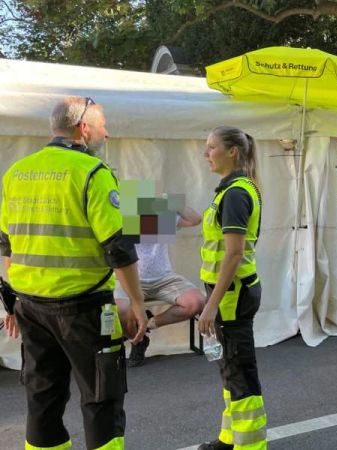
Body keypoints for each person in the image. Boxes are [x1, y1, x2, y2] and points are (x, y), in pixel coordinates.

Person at [0, 96, 147, 450]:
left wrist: (14, 301)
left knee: (43, 398)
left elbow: (7, 244)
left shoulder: (17, 172)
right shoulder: (94, 173)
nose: (106, 134)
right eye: (102, 125)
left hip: (31, 306)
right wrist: (138, 304)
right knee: (101, 397)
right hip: (85, 307)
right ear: (84, 129)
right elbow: (118, 248)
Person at [197, 126, 267, 450]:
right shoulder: (229, 191)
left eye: (211, 147)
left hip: (231, 295)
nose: (206, 153)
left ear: (233, 152)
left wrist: (210, 304)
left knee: (241, 375)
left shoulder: (237, 193)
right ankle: (230, 438)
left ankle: (251, 445)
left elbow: (234, 253)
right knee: (230, 369)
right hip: (230, 293)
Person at [115, 206, 207, 367]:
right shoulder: (123, 220)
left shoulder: (162, 220)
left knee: (197, 301)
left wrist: (175, 202)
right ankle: (138, 340)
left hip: (164, 278)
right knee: (119, 308)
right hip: (132, 279)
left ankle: (148, 325)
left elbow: (196, 219)